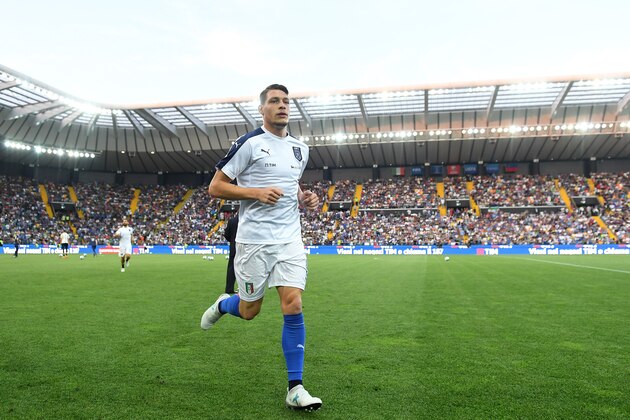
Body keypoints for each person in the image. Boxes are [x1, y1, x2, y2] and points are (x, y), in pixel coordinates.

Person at [200, 84, 322, 411]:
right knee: (249, 310)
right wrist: (255, 192)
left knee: (293, 303)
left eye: (285, 101)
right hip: (254, 241)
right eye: (274, 101)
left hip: (289, 240)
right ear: (262, 109)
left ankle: (295, 387)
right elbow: (216, 186)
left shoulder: (300, 148)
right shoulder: (249, 144)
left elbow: (291, 183)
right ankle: (225, 304)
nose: (281, 106)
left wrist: (304, 197)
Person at [223, 214, 238, 294]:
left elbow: (226, 235)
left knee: (231, 268)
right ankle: (247, 289)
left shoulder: (232, 221)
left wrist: (232, 241)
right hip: (246, 248)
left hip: (234, 247)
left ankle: (229, 288)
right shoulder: (247, 220)